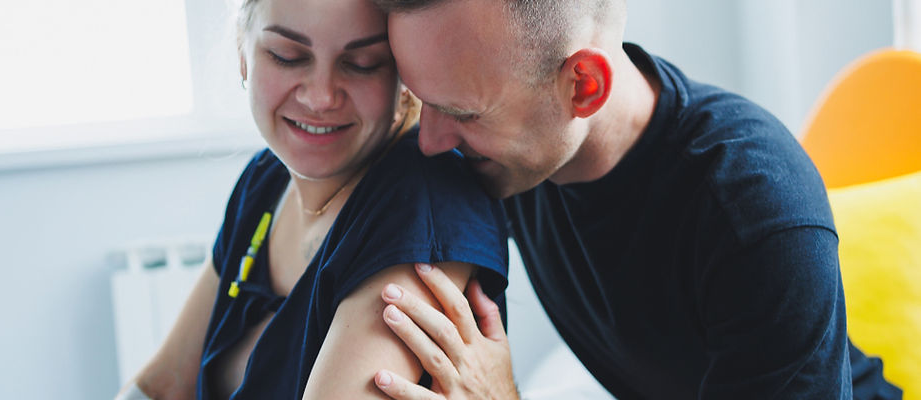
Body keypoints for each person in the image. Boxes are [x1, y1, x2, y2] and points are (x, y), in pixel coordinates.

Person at [366, 0, 903, 399]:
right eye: (421, 99)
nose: (430, 140)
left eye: (462, 113)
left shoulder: (755, 211)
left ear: (583, 87)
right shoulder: (508, 140)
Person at [113, 0, 509, 398]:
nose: (321, 97)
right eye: (288, 56)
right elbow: (164, 384)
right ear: (243, 54)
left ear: (403, 76)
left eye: (362, 63)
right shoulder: (265, 179)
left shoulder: (426, 212)